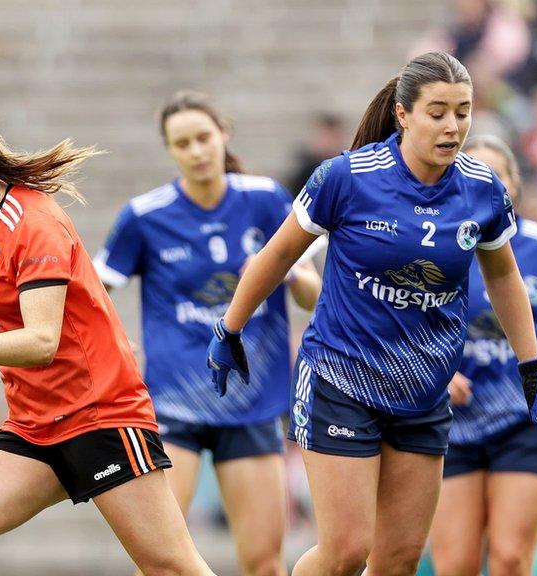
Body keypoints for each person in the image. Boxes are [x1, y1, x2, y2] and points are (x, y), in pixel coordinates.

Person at [206, 52, 537, 576]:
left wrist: (533, 365)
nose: (452, 126)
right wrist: (230, 326)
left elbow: (503, 276)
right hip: (340, 380)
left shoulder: (482, 188)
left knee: (398, 560)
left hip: (423, 393)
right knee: (346, 551)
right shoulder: (345, 178)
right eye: (437, 112)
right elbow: (277, 254)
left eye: (462, 112)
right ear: (402, 114)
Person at [0, 97, 215, 576]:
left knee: (172, 567)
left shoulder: (32, 223)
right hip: (34, 426)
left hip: (99, 418)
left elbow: (41, 342)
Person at [94, 89, 321, 576]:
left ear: (224, 135)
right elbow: (93, 294)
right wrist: (114, 345)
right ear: (169, 150)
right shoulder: (145, 216)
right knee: (158, 561)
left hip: (251, 403)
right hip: (174, 404)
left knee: (263, 562)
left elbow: (312, 295)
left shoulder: (265, 200)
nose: (196, 151)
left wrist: (288, 273)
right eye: (182, 144)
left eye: (203, 138)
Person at [428, 135, 537, 576]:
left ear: (513, 186)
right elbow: (399, 328)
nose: (481, 184)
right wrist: (437, 375)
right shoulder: (432, 246)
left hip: (525, 422)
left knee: (509, 558)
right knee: (456, 564)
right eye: (471, 173)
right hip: (449, 426)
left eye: (494, 175)